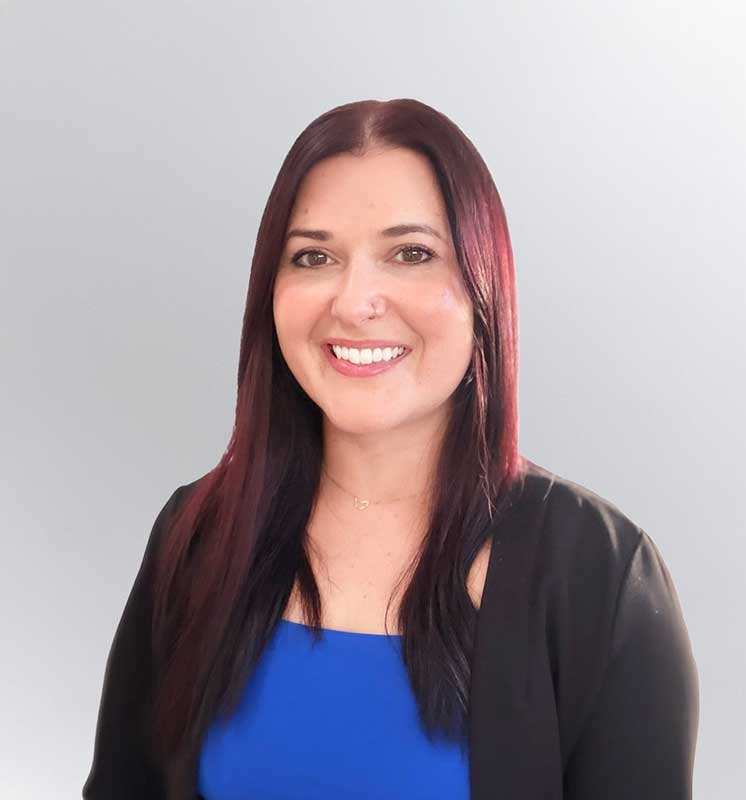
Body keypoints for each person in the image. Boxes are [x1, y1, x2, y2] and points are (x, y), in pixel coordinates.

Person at [83, 98, 699, 799]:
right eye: (314, 256)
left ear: (482, 290)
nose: (354, 300)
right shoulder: (196, 538)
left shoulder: (600, 573)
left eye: (411, 253)